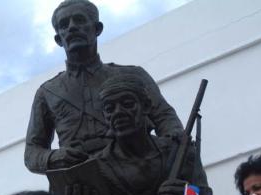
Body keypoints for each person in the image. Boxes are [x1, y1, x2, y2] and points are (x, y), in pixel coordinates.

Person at [24, 0, 183, 174]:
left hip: (136, 170)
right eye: (64, 25)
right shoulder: (47, 92)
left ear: (97, 29)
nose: (71, 27)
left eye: (79, 20)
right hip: (79, 181)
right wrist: (54, 157)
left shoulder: (133, 75)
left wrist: (169, 147)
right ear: (58, 39)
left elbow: (165, 118)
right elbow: (32, 152)